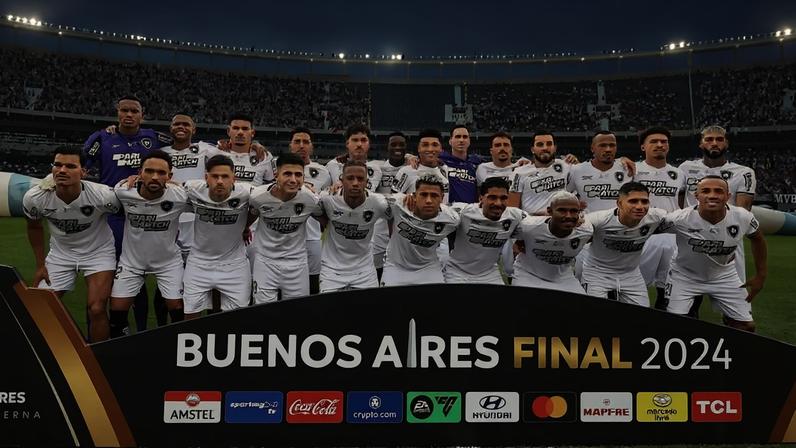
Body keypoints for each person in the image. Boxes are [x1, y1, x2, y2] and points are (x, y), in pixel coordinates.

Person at [83, 95, 171, 332]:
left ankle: (138, 329)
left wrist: (223, 145)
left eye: (134, 111)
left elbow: (184, 146)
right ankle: (100, 329)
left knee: (137, 273)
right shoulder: (102, 138)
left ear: (142, 115)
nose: (129, 115)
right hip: (112, 215)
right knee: (105, 272)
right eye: (125, 110)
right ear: (117, 113)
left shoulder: (153, 137)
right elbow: (82, 165)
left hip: (144, 215)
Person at [23, 147, 120, 341]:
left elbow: (125, 215)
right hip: (61, 254)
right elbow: (34, 227)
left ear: (84, 172)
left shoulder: (103, 196)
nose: (62, 170)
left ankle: (99, 358)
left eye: (70, 166)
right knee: (39, 307)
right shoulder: (35, 198)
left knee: (97, 308)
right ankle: (59, 353)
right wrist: (41, 265)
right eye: (57, 165)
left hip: (98, 252)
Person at [663, 176, 767, 332]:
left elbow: (758, 239)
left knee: (746, 327)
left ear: (728, 196)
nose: (712, 195)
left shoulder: (743, 217)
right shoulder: (680, 218)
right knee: (675, 326)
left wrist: (761, 275)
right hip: (684, 275)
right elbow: (648, 229)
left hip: (724, 275)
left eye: (718, 191)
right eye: (705, 191)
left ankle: (726, 344)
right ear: (696, 196)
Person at [109, 150, 190, 338]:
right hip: (132, 263)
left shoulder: (180, 196)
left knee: (177, 306)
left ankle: (178, 347)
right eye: (149, 171)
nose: (155, 177)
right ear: (139, 173)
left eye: (162, 173)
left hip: (168, 262)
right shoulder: (123, 191)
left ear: (170, 176)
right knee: (117, 308)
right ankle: (122, 346)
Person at [679, 125, 756, 316]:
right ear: (701, 143)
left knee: (738, 317)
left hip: (727, 246)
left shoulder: (743, 172)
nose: (714, 143)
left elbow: (741, 213)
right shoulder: (685, 168)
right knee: (687, 309)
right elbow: (679, 207)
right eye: (709, 139)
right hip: (691, 245)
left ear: (726, 143)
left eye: (719, 139)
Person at [182, 155, 252, 319]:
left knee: (236, 320)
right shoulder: (192, 189)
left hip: (235, 265)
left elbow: (272, 193)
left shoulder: (247, 192)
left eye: (225, 176)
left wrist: (246, 224)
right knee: (190, 316)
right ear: (206, 177)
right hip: (198, 264)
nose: (220, 181)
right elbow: (167, 187)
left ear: (234, 178)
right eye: (215, 176)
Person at [581, 182, 669, 307]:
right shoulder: (598, 219)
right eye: (633, 201)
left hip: (631, 274)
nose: (640, 206)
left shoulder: (656, 217)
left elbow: (683, 219)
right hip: (597, 273)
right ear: (619, 203)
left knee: (643, 316)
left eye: (644, 202)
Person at [249, 153, 321, 303]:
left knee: (295, 315)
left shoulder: (311, 199)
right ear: (276, 175)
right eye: (287, 174)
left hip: (297, 264)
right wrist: (244, 229)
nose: (293, 180)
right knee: (263, 312)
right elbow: (251, 215)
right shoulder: (258, 196)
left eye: (298, 175)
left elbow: (327, 219)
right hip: (265, 262)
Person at [314, 160, 391, 292]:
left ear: (367, 182)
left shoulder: (379, 203)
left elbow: (395, 214)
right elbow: (311, 209)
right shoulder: (327, 199)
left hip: (364, 271)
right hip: (332, 270)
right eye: (350, 178)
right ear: (342, 180)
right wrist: (326, 223)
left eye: (360, 179)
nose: (355, 183)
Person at [634, 126, 685, 309]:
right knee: (636, 284)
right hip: (643, 235)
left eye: (663, 142)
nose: (659, 145)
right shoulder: (632, 170)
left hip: (671, 236)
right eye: (653, 141)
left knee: (667, 288)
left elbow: (680, 203)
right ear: (643, 147)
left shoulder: (679, 173)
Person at [444, 177, 525, 284]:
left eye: (503, 198)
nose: (498, 203)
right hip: (457, 272)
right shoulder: (463, 211)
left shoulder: (515, 216)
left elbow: (538, 223)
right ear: (481, 198)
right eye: (492, 197)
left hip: (489, 273)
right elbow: (436, 211)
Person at [382, 176, 460, 286]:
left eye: (434, 196)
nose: (428, 200)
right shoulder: (398, 204)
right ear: (414, 195)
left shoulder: (452, 219)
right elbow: (370, 199)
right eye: (423, 195)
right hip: (396, 266)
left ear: (442, 198)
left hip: (428, 268)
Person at [512, 191, 594, 293]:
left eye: (574, 211)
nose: (568, 216)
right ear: (549, 211)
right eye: (562, 210)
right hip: (528, 275)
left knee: (581, 306)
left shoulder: (586, 231)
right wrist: (518, 242)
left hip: (563, 278)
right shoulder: (528, 227)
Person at [289, 127, 332, 295]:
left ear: (312, 146)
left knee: (313, 285)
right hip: (284, 238)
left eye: (306, 142)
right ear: (290, 145)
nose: (301, 146)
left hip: (312, 237)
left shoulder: (324, 172)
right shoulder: (276, 166)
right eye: (297, 142)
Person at [372, 132, 409, 281]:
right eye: (393, 144)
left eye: (401, 145)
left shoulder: (412, 168)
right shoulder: (377, 168)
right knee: (377, 266)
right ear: (387, 147)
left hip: (404, 225)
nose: (397, 148)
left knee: (401, 265)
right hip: (380, 227)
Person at [509, 130, 572, 215]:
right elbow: (512, 209)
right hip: (531, 223)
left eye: (549, 144)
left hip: (560, 221)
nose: (545, 148)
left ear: (555, 148)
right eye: (540, 145)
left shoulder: (566, 166)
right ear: (532, 149)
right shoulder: (519, 173)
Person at [567, 131, 632, 212]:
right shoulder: (576, 170)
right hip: (589, 222)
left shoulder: (628, 169)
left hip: (619, 223)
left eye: (612, 145)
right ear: (592, 148)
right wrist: (572, 204)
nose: (608, 149)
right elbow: (562, 195)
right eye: (602, 145)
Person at [326, 124, 383, 191]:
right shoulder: (332, 166)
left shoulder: (376, 170)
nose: (359, 144)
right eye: (355, 140)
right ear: (347, 143)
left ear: (369, 144)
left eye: (363, 140)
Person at [440, 125, 481, 203]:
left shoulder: (477, 162)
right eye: (458, 137)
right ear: (450, 141)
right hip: (449, 209)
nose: (461, 140)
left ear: (469, 141)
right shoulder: (441, 159)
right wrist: (410, 157)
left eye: (465, 137)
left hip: (470, 210)